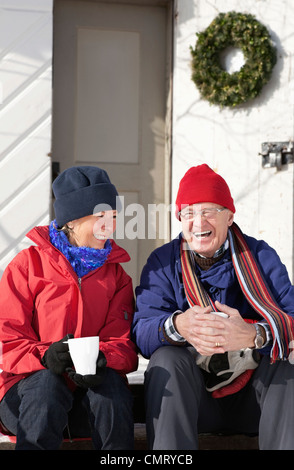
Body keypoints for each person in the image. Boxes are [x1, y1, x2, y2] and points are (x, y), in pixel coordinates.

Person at [132, 163, 294, 450]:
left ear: (229, 217)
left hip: (256, 401)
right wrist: (178, 325)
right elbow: (142, 332)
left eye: (209, 211)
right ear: (179, 218)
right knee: (166, 359)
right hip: (193, 403)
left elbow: (291, 317)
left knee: (287, 361)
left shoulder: (259, 256)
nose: (198, 222)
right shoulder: (163, 263)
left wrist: (254, 334)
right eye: (189, 213)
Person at [0, 165, 138, 450]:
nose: (109, 227)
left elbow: (123, 346)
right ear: (71, 221)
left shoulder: (117, 277)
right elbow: (7, 342)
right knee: (47, 385)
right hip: (26, 398)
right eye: (100, 217)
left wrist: (103, 358)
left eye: (112, 217)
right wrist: (45, 356)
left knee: (112, 386)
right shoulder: (27, 266)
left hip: (86, 402)